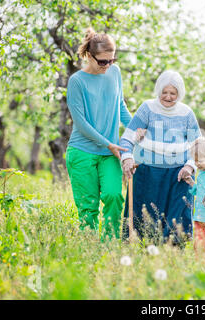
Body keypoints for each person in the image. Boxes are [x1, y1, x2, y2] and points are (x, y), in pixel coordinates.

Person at [65, 27, 142, 240]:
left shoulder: (114, 73)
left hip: (111, 152)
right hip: (82, 152)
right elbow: (80, 124)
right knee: (88, 207)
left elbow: (120, 106)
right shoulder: (77, 82)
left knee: (114, 195)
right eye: (102, 62)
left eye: (111, 60)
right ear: (89, 56)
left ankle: (109, 247)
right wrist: (108, 143)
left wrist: (138, 127)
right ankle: (90, 250)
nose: (107, 66)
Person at [119, 70, 201, 246]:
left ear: (179, 94)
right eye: (165, 92)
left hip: (179, 173)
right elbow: (127, 137)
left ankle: (173, 250)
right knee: (145, 220)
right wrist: (126, 158)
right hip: (148, 171)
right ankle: (140, 247)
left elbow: (198, 145)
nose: (168, 97)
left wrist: (189, 166)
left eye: (173, 93)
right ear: (158, 91)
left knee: (177, 218)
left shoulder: (187, 113)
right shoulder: (147, 108)